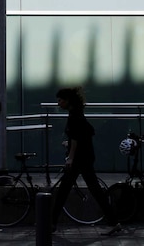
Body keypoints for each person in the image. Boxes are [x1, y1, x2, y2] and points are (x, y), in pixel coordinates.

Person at [49, 86, 121, 234]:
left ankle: (51, 223)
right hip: (85, 157)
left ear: (67, 100)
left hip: (79, 159)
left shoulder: (74, 115)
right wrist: (69, 144)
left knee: (64, 191)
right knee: (94, 190)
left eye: (60, 100)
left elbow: (75, 138)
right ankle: (114, 221)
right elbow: (81, 136)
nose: (58, 104)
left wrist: (70, 157)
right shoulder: (77, 113)